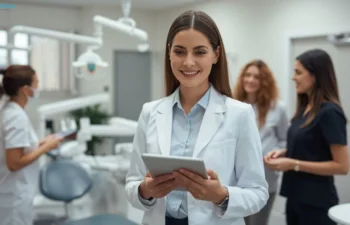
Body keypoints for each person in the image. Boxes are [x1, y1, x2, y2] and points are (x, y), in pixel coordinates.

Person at [125, 10, 268, 225]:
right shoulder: (150, 112)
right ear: (169, 53)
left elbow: (258, 193)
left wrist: (220, 195)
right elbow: (132, 183)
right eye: (180, 51)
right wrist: (145, 190)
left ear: (215, 55)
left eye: (200, 52)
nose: (188, 62)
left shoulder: (239, 114)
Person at [264, 49, 349, 225]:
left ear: (315, 75)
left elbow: (342, 166)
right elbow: (313, 148)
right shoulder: (305, 109)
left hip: (316, 202)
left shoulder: (330, 112)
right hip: (295, 197)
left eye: (298, 72)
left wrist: (293, 164)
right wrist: (285, 153)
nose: (293, 77)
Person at [0, 65, 63, 225]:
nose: (38, 88)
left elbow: (18, 148)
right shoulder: (15, 117)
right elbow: (14, 162)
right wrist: (45, 148)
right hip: (14, 195)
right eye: (36, 83)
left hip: (12, 192)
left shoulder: (10, 111)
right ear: (25, 89)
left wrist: (42, 142)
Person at [232, 59, 289, 225]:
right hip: (237, 180)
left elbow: (285, 140)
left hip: (265, 178)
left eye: (256, 77)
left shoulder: (277, 108)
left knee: (258, 223)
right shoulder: (234, 106)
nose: (250, 80)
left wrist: (277, 152)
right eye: (247, 75)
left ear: (264, 81)